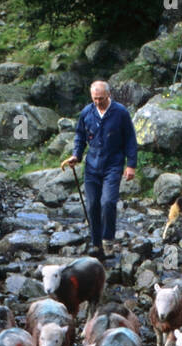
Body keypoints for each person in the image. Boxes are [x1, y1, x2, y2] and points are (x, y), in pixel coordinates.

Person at [62, 81, 138, 260]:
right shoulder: (86, 113)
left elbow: (130, 139)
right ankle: (96, 244)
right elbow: (80, 136)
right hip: (92, 166)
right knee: (92, 205)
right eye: (94, 99)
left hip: (113, 165)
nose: (97, 102)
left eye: (101, 99)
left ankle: (108, 241)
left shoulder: (120, 113)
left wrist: (131, 165)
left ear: (108, 95)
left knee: (108, 202)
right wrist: (76, 156)